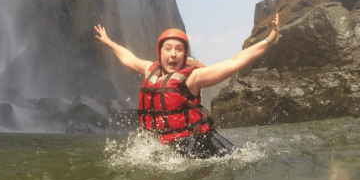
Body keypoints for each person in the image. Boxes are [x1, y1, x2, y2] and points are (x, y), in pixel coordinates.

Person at [94, 14, 279, 159]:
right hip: (164, 147)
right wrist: (109, 42)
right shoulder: (149, 70)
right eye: (168, 49)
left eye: (179, 50)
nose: (173, 54)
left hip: (199, 144)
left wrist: (269, 40)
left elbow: (234, 62)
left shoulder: (193, 78)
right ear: (160, 53)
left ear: (185, 56)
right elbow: (128, 58)